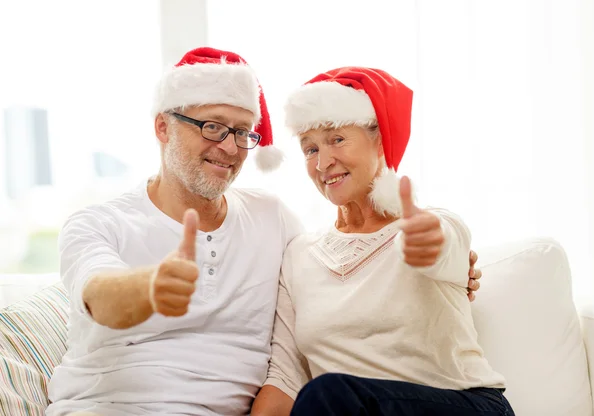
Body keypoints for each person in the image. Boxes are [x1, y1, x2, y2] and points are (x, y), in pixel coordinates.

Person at [46, 48, 482, 416]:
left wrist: (446, 256)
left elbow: (436, 244)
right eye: (212, 126)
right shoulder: (97, 223)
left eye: (241, 132)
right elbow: (98, 293)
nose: (231, 148)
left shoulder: (272, 221)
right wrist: (149, 287)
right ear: (163, 127)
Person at [251, 67, 514, 415]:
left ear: (380, 140)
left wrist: (427, 241)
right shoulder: (299, 255)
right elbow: (286, 378)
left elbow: (443, 245)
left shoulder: (432, 224)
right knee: (324, 396)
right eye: (310, 149)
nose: (323, 162)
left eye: (337, 139)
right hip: (342, 407)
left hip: (462, 405)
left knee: (329, 394)